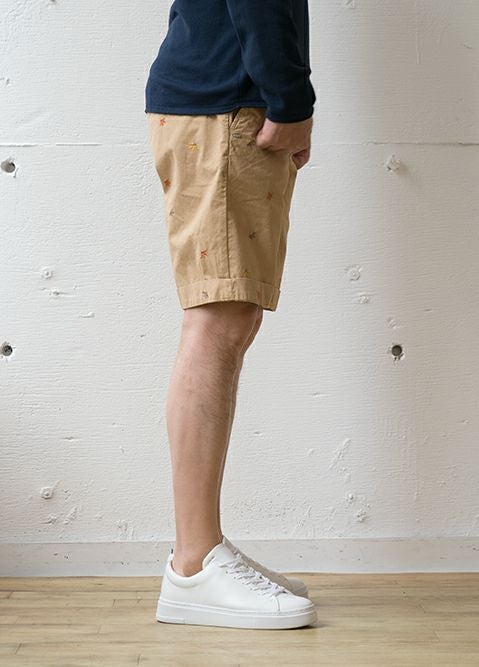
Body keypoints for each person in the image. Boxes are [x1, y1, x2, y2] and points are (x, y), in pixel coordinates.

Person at [144, 0, 317, 630]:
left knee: (229, 318)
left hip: (226, 97)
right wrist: (290, 98)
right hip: (227, 103)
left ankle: (200, 553)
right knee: (217, 319)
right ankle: (194, 566)